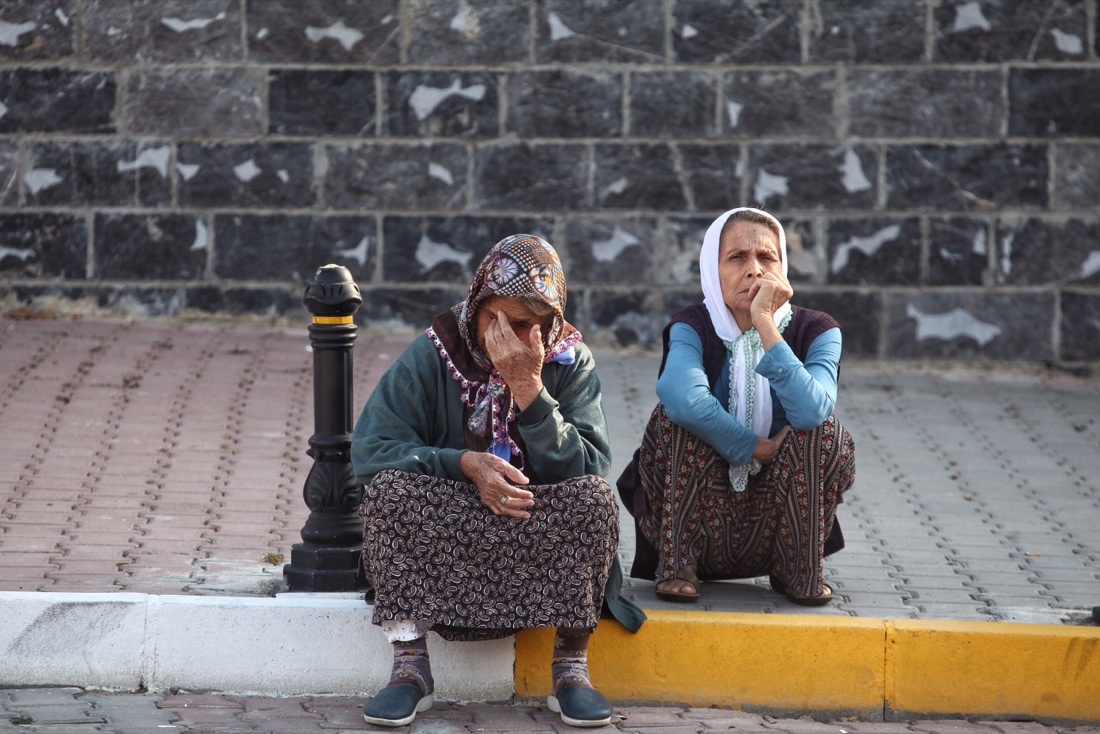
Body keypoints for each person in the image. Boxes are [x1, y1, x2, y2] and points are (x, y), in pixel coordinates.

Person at [351, 234, 644, 728]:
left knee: (594, 501)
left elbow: (591, 467)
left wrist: (529, 388)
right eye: (496, 319)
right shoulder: (435, 351)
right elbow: (371, 452)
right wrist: (463, 464)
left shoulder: (570, 361)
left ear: (551, 326)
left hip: (532, 521)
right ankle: (409, 669)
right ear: (476, 307)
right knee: (388, 493)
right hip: (454, 524)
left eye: (526, 325)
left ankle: (571, 669)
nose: (505, 337)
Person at [617, 207, 855, 606]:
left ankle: (799, 569)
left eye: (767, 258)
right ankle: (678, 565)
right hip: (696, 525)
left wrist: (765, 322)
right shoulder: (693, 324)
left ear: (783, 268)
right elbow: (683, 398)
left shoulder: (818, 329)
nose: (754, 270)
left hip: (780, 527)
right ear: (713, 268)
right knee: (671, 421)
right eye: (737, 258)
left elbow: (814, 410)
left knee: (825, 432)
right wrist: (756, 447)